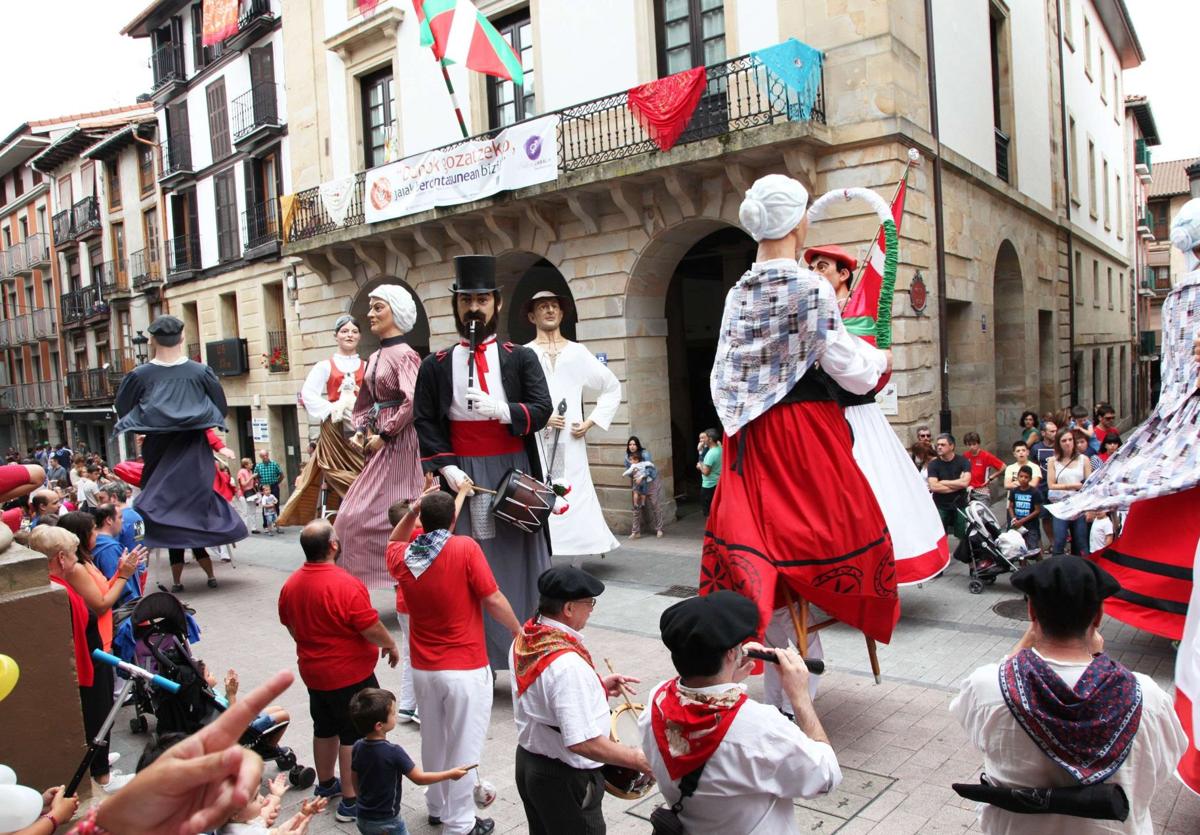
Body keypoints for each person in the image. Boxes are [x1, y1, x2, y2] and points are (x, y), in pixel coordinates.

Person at [704, 175, 898, 652]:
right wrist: (882, 361)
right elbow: (849, 367)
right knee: (829, 535)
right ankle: (795, 685)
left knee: (763, 555)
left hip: (747, 437)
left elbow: (724, 372)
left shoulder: (737, 293)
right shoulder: (811, 288)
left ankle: (787, 679)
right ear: (797, 221)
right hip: (800, 433)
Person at [949, 557, 1186, 834]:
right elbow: (1160, 768)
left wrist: (1027, 640)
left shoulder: (987, 687)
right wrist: (1097, 660)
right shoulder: (1148, 696)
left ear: (1031, 612)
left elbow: (975, 728)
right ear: (1098, 617)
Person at [414, 255, 553, 672]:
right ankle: (478, 656)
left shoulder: (519, 357)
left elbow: (542, 409)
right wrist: (447, 467)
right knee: (470, 562)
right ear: (456, 306)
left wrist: (503, 409)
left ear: (495, 303)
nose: (474, 308)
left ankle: (531, 650)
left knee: (523, 558)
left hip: (513, 471)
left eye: (482, 300)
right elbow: (424, 420)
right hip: (464, 477)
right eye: (466, 300)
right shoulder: (435, 365)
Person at [640, 591, 840, 834]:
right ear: (732, 654)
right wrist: (800, 698)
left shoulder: (656, 702)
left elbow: (692, 737)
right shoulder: (760, 727)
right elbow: (826, 776)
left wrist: (728, 675)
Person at [807, 243, 949, 584]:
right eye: (811, 267)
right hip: (824, 418)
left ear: (843, 275)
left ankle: (874, 571)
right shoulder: (813, 315)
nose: (814, 273)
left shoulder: (856, 317)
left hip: (856, 418)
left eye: (821, 267)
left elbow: (863, 375)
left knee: (873, 493)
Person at [393, 491, 522, 835]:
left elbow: (394, 538)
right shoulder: (464, 548)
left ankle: (436, 806)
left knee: (433, 740)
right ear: (454, 519)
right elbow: (492, 598)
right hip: (464, 667)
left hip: (424, 669)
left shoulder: (406, 554)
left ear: (422, 519)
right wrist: (517, 629)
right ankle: (460, 822)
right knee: (464, 745)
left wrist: (413, 510)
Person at [277, 519, 401, 824]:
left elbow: (291, 626)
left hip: (314, 672)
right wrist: (390, 643)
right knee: (351, 735)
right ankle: (350, 799)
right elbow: (369, 625)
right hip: (349, 674)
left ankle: (327, 784)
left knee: (324, 727)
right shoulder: (345, 583)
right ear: (333, 545)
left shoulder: (291, 584)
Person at [510, 566, 651, 834]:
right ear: (569, 609)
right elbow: (582, 741)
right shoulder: (567, 666)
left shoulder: (528, 636)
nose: (592, 609)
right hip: (563, 777)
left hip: (531, 761)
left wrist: (597, 687)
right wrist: (638, 759)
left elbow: (543, 692)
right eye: (589, 603)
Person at [114, 315, 246, 553]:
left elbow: (124, 407)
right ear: (183, 337)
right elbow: (220, 407)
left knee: (156, 495)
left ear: (152, 339)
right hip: (193, 445)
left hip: (159, 444)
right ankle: (201, 539)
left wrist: (151, 422)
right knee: (194, 495)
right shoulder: (200, 372)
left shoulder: (139, 375)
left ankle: (154, 538)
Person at [31, 525, 136, 792]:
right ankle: (102, 775)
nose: (76, 558)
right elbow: (99, 605)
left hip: (92, 656)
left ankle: (99, 764)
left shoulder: (59, 584)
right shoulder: (59, 589)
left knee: (99, 714)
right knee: (97, 714)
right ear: (60, 558)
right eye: (72, 553)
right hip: (88, 662)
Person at [332, 286, 425, 588]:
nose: (370, 314)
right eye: (371, 307)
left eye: (378, 308)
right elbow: (363, 402)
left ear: (395, 312)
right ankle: (376, 579)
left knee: (367, 516)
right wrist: (360, 430)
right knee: (350, 517)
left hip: (401, 443)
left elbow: (413, 401)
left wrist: (384, 434)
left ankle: (406, 574)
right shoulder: (374, 356)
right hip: (378, 442)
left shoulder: (406, 356)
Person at [524, 289, 622, 561]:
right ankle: (542, 547)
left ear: (562, 313)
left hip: (571, 435)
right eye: (543, 306)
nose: (550, 310)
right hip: (538, 436)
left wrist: (591, 421)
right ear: (533, 315)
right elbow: (514, 396)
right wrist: (537, 417)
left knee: (575, 486)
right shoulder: (525, 353)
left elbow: (612, 387)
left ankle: (578, 549)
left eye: (554, 306)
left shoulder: (578, 352)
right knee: (540, 486)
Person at [349, 687, 472, 835]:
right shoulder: (394, 752)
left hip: (363, 817)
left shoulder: (358, 746)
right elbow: (419, 778)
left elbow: (354, 776)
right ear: (379, 726)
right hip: (388, 821)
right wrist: (450, 774)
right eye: (393, 714)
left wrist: (360, 799)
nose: (395, 716)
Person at [280, 315, 366, 527]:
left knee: (364, 470)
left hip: (361, 426)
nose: (350, 335)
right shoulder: (324, 366)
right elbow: (309, 394)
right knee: (334, 470)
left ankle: (361, 510)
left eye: (354, 331)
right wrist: (332, 409)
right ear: (336, 336)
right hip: (335, 431)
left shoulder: (367, 364)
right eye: (345, 331)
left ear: (360, 336)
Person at [1046, 429, 1091, 556]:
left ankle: (1083, 570)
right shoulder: (1052, 461)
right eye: (1064, 440)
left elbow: (1089, 485)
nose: (1068, 443)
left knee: (1081, 541)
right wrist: (1073, 486)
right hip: (1061, 504)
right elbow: (1051, 485)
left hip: (1079, 504)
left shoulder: (1084, 459)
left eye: (1070, 440)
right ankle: (1056, 570)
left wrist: (1089, 509)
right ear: (1058, 443)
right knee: (1059, 540)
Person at [92, 503, 145, 609]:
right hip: (123, 611)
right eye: (120, 517)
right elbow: (118, 584)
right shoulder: (109, 548)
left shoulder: (101, 543)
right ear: (109, 520)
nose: (123, 521)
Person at [927, 433, 972, 538]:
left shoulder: (963, 462)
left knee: (963, 535)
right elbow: (934, 487)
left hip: (960, 505)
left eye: (943, 445)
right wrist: (958, 484)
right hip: (941, 505)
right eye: (938, 444)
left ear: (951, 446)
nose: (939, 447)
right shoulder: (933, 465)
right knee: (940, 536)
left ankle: (962, 554)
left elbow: (965, 483)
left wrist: (943, 482)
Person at [623, 437, 662, 538]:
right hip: (638, 484)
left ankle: (659, 529)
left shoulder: (645, 454)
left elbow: (650, 468)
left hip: (650, 482)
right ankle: (636, 531)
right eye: (630, 444)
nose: (632, 446)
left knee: (655, 504)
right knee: (636, 506)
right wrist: (634, 475)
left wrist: (642, 476)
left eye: (634, 444)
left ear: (638, 445)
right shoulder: (627, 457)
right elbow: (628, 470)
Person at [962, 432, 1005, 505]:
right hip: (968, 490)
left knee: (981, 514)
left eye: (974, 444)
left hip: (981, 490)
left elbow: (1003, 466)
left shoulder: (986, 456)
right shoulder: (965, 455)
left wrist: (992, 477)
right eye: (969, 445)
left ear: (978, 444)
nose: (972, 447)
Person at [1006, 467, 1042, 553]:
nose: (1023, 479)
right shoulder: (1014, 491)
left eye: (1026, 477)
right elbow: (1010, 506)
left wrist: (1023, 520)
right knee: (1020, 548)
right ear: (1017, 477)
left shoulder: (1035, 492)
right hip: (1017, 524)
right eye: (1021, 476)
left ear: (1030, 478)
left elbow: (1037, 510)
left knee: (1033, 549)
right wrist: (1013, 518)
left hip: (1031, 525)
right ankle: (1023, 566)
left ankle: (1040, 564)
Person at [696, 429, 722, 518]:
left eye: (705, 438)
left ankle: (711, 529)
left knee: (708, 511)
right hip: (717, 482)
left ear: (710, 439)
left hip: (709, 485)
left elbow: (706, 472)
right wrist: (700, 451)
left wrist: (700, 466)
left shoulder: (711, 454)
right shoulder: (720, 448)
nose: (703, 440)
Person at [253, 451, 283, 526]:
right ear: (260, 457)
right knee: (265, 504)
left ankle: (276, 522)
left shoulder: (274, 464)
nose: (265, 457)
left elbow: (281, 474)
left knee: (276, 504)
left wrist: (277, 482)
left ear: (268, 455)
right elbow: (255, 476)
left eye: (266, 455)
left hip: (273, 486)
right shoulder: (258, 466)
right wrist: (260, 484)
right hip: (264, 487)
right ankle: (266, 523)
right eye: (263, 456)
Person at [236, 458, 260, 534]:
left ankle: (254, 528)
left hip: (251, 493)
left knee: (253, 510)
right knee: (245, 512)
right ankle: (244, 529)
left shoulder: (250, 471)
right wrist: (251, 477)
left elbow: (251, 484)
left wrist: (255, 481)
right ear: (245, 465)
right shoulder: (241, 472)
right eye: (250, 463)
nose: (252, 464)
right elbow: (243, 484)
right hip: (243, 493)